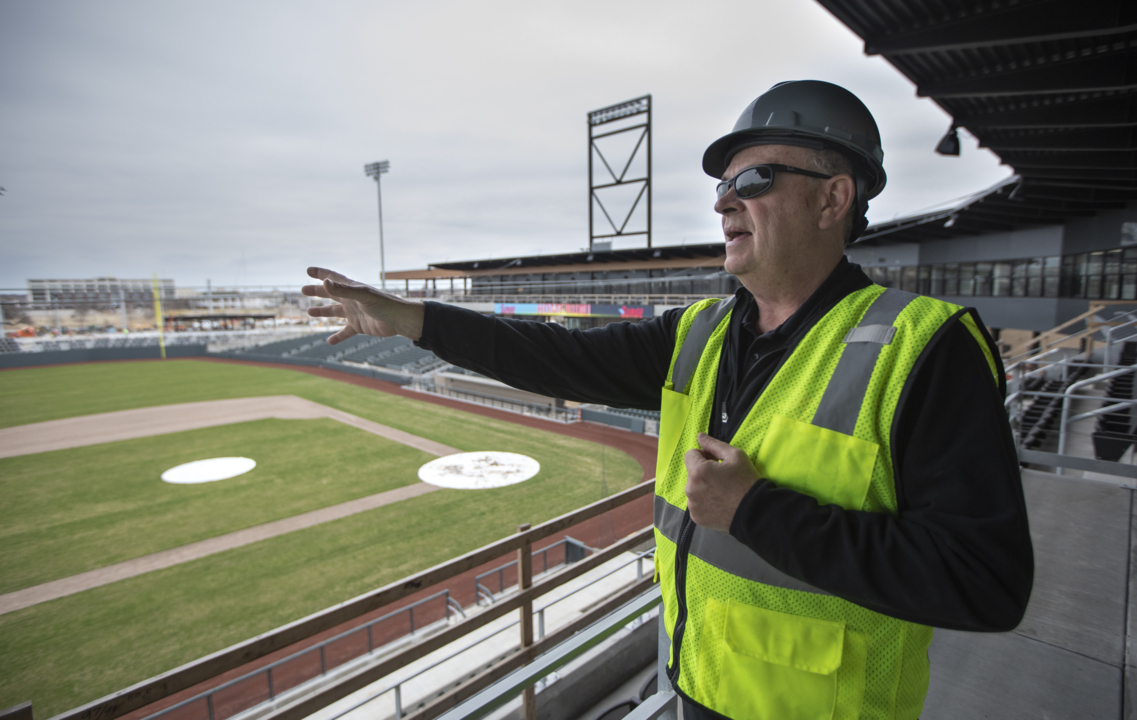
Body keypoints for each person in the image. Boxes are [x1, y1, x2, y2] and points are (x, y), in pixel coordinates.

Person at [302, 80, 1033, 720]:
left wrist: (755, 511)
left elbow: (984, 583)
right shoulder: (699, 332)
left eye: (753, 180)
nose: (722, 201)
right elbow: (553, 354)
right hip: (695, 685)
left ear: (831, 198)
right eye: (721, 186)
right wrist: (414, 319)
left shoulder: (923, 348)